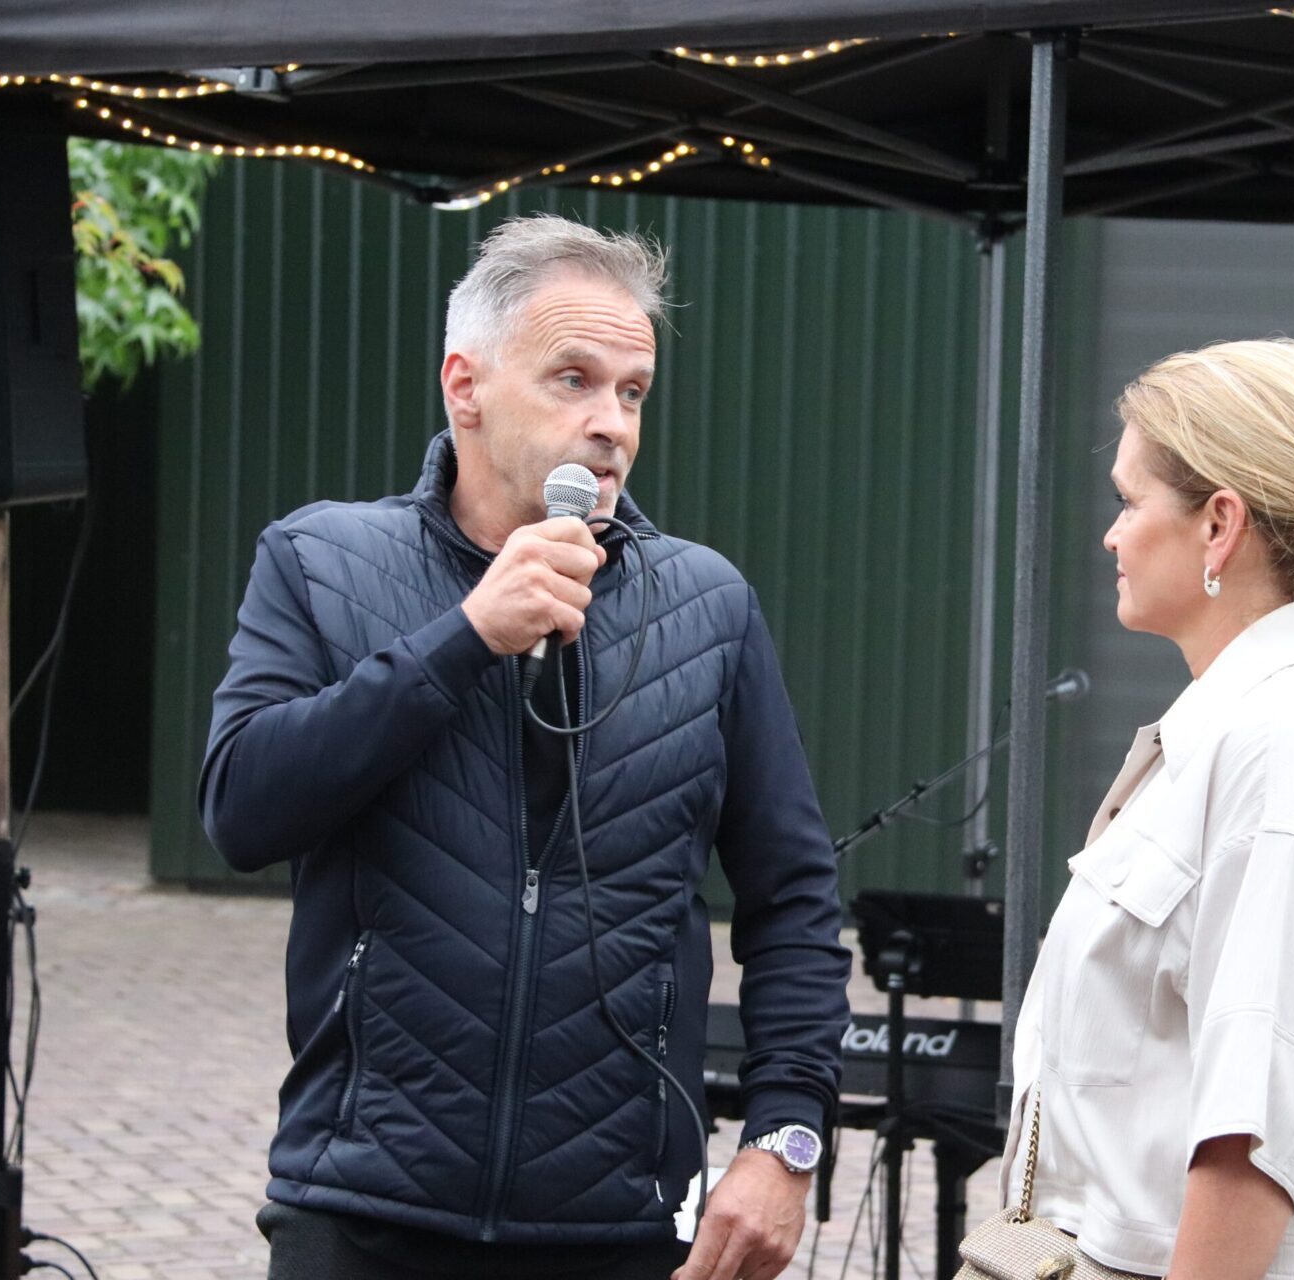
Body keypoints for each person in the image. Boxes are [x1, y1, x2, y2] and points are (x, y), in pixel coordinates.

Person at [200, 213, 850, 1280]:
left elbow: (795, 899)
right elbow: (241, 809)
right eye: (574, 380)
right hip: (364, 1207)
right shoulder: (320, 561)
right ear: (465, 386)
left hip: (619, 1225)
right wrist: (462, 640)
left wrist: (786, 1137)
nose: (611, 424)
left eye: (632, 392)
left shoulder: (708, 606)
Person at [1001, 338, 1294, 1279]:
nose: (1112, 536)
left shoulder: (1292, 750)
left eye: (1130, 502)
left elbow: (1251, 1143)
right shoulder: (1243, 732)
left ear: (1219, 524)